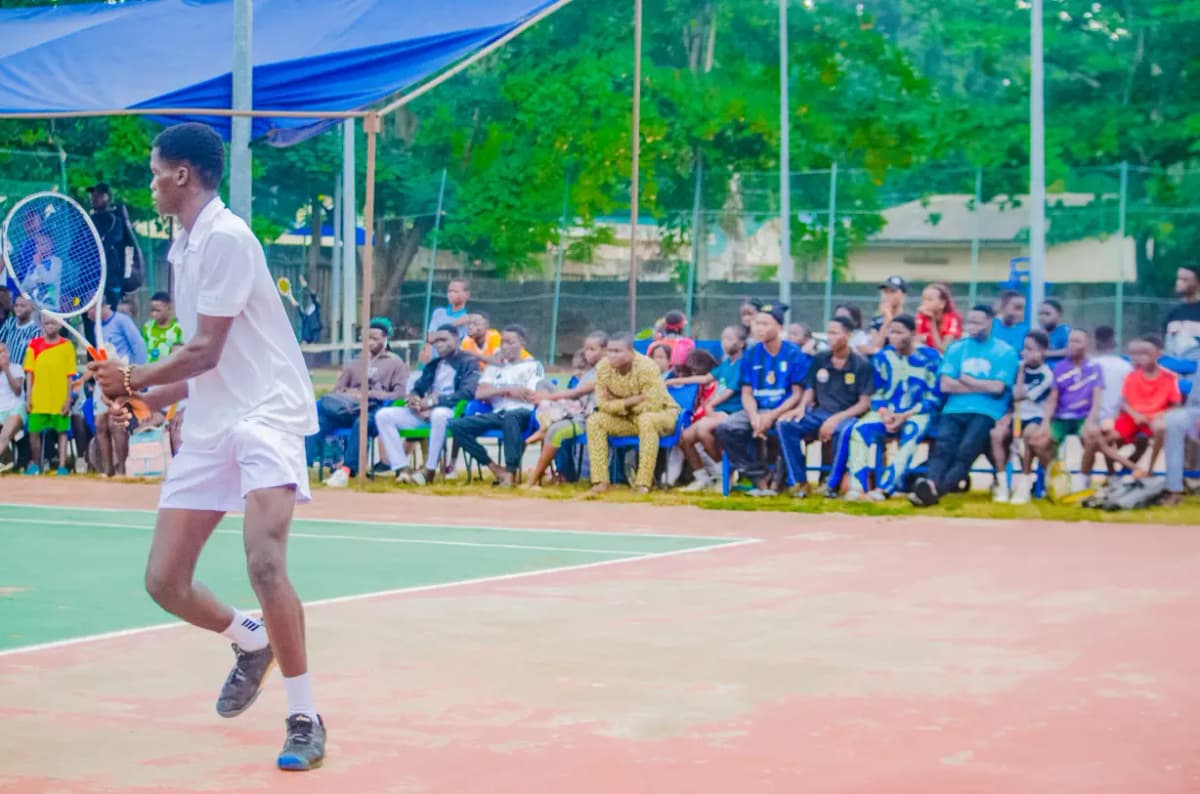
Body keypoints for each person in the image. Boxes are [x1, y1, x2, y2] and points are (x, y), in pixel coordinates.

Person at [88, 123, 325, 769]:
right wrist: (146, 400)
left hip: (268, 417)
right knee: (165, 582)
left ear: (182, 175)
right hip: (214, 419)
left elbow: (205, 348)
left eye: (154, 170)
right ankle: (251, 640)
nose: (151, 181)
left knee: (265, 564)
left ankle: (304, 716)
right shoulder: (185, 248)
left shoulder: (225, 238)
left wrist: (134, 376)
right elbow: (206, 367)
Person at [910, 304, 1019, 507]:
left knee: (966, 451)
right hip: (954, 409)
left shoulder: (1005, 352)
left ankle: (935, 491)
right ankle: (931, 484)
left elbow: (998, 388)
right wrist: (980, 385)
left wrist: (967, 380)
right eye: (970, 321)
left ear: (990, 322)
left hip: (987, 411)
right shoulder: (957, 348)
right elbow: (945, 384)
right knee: (942, 448)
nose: (972, 326)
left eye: (977, 321)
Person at [715, 303, 808, 496]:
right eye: (757, 324)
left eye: (765, 324)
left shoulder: (793, 354)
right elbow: (746, 392)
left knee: (783, 428)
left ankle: (780, 482)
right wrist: (754, 416)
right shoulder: (751, 354)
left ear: (779, 327)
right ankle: (760, 476)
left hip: (782, 410)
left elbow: (797, 394)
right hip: (756, 409)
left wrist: (771, 416)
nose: (759, 328)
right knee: (726, 427)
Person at [844, 315, 940, 501]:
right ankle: (857, 488)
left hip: (917, 413)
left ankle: (885, 488)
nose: (894, 337)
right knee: (859, 429)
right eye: (891, 332)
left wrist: (905, 415)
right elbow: (877, 392)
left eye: (899, 332)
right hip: (887, 412)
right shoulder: (882, 357)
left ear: (912, 334)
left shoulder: (931, 358)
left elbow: (934, 396)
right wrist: (884, 412)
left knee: (912, 432)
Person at [778, 317, 873, 498]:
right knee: (785, 424)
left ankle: (831, 485)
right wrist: (800, 408)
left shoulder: (861, 365)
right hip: (819, 413)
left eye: (835, 333)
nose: (830, 337)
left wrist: (836, 419)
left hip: (847, 415)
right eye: (828, 332)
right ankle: (799, 482)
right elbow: (810, 388)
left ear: (847, 335)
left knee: (844, 431)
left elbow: (864, 403)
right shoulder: (820, 359)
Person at [374, 324, 480, 485]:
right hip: (424, 413)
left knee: (439, 414)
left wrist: (432, 402)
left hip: (452, 411)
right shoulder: (434, 364)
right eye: (436, 341)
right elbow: (418, 387)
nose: (439, 344)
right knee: (384, 415)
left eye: (444, 340)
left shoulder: (468, 362)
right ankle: (402, 468)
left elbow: (467, 392)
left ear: (457, 339)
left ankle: (429, 470)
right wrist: (414, 400)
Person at [311, 318, 410, 486]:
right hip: (347, 409)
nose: (370, 342)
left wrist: (369, 394)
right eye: (367, 338)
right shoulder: (355, 363)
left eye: (375, 338)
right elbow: (337, 391)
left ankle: (347, 470)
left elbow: (399, 395)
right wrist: (351, 394)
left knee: (361, 422)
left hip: (375, 411)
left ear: (385, 339)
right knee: (319, 419)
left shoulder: (395, 363)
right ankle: (304, 463)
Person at [448, 325, 544, 487]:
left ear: (522, 343)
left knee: (511, 417)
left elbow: (529, 393)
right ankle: (494, 468)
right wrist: (507, 389)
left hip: (523, 413)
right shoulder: (494, 367)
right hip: (498, 413)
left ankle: (510, 472)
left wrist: (495, 391)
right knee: (456, 425)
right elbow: (479, 393)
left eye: (509, 342)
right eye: (502, 342)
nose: (504, 346)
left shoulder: (533, 366)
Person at [586, 333, 680, 494]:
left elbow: (653, 405)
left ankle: (643, 483)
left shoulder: (647, 367)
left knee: (646, 419)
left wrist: (616, 401)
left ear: (631, 351)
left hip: (662, 416)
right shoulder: (602, 367)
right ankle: (600, 481)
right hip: (627, 419)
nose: (612, 356)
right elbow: (602, 404)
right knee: (595, 421)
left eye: (618, 351)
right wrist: (631, 401)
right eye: (610, 351)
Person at [523, 331, 608, 487]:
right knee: (543, 388)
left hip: (591, 418)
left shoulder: (606, 370)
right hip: (577, 412)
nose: (586, 353)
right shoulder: (590, 372)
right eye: (586, 349)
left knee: (556, 430)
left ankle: (532, 480)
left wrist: (549, 398)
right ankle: (545, 429)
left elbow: (577, 393)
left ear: (604, 350)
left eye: (592, 349)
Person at [1091, 334, 1182, 478]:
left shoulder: (1169, 377)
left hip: (1156, 419)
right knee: (1104, 438)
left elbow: (1176, 405)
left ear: (1157, 355)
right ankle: (1114, 473)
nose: (1141, 358)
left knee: (1160, 428)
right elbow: (1124, 403)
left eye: (1146, 354)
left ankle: (1149, 470)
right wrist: (1135, 415)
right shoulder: (1132, 376)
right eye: (1138, 354)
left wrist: (1158, 415)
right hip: (1132, 417)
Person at [989, 330, 1055, 504]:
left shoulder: (1046, 375)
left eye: (1031, 349)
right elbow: (1009, 397)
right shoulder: (1016, 366)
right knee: (996, 435)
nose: (1025, 353)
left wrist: (1020, 372)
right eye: (1024, 348)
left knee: (1028, 437)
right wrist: (1006, 415)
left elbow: (1019, 394)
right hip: (1015, 415)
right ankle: (1002, 485)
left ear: (1043, 352)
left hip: (1035, 417)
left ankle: (1024, 484)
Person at [680, 325, 747, 492]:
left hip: (733, 413)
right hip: (716, 413)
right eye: (723, 338)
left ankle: (725, 475)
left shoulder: (743, 363)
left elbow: (731, 389)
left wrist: (711, 404)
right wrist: (671, 382)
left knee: (703, 431)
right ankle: (702, 478)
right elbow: (704, 378)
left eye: (730, 338)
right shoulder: (726, 364)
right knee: (684, 438)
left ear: (741, 343)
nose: (725, 342)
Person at [1041, 328, 1104, 493]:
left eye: (1077, 341)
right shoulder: (1060, 367)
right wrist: (1046, 422)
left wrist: (1090, 422)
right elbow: (1053, 398)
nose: (1072, 345)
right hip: (1062, 417)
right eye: (1070, 341)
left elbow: (1097, 399)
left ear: (1086, 345)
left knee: (1091, 436)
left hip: (1083, 416)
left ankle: (1082, 478)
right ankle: (1056, 476)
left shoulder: (1094, 367)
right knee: (1040, 441)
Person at [1079, 325, 1135, 484]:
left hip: (1094, 419)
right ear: (1114, 341)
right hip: (1113, 419)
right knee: (1101, 436)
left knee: (1097, 437)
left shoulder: (1088, 365)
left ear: (1094, 342)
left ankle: (1086, 479)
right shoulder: (1126, 366)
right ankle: (1115, 474)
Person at [24, 314, 76, 476]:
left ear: (60, 325)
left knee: (62, 432)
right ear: (42, 325)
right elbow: (29, 374)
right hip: (39, 398)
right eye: (47, 323)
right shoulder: (34, 344)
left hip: (60, 397)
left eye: (53, 323)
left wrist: (68, 399)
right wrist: (28, 398)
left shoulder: (67, 346)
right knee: (34, 431)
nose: (50, 326)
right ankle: (36, 464)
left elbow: (70, 376)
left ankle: (61, 466)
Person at [89, 182, 140, 311]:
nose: (94, 198)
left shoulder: (115, 220)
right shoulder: (88, 221)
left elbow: (115, 244)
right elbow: (75, 251)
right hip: (90, 283)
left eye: (99, 195)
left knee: (110, 317)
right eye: (93, 195)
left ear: (108, 197)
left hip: (112, 281)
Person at [419, 278, 471, 363]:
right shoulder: (439, 313)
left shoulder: (467, 321)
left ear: (466, 294)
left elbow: (463, 347)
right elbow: (431, 337)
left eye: (455, 291)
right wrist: (454, 324)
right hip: (433, 363)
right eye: (449, 291)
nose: (451, 294)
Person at [0, 341, 27, 469]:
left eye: (4, 351)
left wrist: (6, 369)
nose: (2, 355)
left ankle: (6, 460)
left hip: (15, 409)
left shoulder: (16, 368)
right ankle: (7, 459)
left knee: (5, 434)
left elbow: (17, 390)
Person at [914, 282, 962, 353]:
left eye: (929, 300)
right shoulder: (922, 316)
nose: (924, 303)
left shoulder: (953, 319)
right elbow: (917, 344)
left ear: (942, 304)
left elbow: (943, 350)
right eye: (923, 299)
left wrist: (932, 322)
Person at [1164, 264, 1200, 359]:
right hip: (1176, 367)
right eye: (1178, 279)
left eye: (1185, 280)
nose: (1179, 283)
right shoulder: (1173, 311)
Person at [868, 275, 908, 353]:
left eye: (893, 292)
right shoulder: (876, 321)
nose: (888, 295)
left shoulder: (909, 320)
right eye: (886, 292)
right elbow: (876, 347)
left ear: (903, 295)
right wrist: (887, 321)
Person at [143, 291, 185, 364]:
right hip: (149, 371)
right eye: (152, 310)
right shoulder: (147, 327)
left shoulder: (178, 328)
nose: (154, 314)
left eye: (158, 310)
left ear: (168, 308)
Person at [0, 294, 41, 366]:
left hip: (21, 373)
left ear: (32, 308)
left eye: (22, 306)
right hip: (3, 371)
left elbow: (33, 357)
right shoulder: (10, 322)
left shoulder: (36, 330)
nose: (18, 309)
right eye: (16, 305)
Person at [1037, 298, 1071, 367]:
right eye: (1040, 314)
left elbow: (1070, 350)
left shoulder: (1064, 331)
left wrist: (1047, 353)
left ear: (1059, 314)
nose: (1042, 317)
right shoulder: (1038, 333)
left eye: (1047, 314)